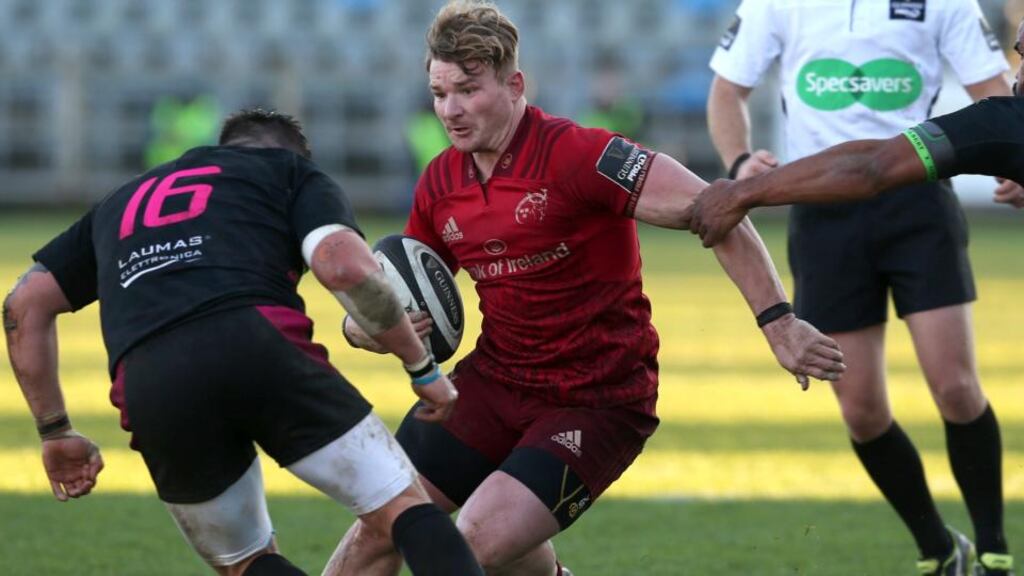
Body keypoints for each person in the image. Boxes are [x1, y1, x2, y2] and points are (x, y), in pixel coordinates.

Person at [330, 2, 846, 575]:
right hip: (495, 382)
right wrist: (364, 327)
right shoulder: (441, 181)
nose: (450, 110)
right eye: (439, 92)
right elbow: (403, 294)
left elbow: (719, 209)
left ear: (514, 84)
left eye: (468, 90)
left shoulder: (581, 156)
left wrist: (779, 322)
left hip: (597, 399)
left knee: (469, 547)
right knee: (379, 528)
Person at [1, 108, 485, 576]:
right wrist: (422, 368)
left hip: (149, 377)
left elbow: (24, 304)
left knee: (246, 561)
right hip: (254, 339)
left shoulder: (117, 202)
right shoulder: (290, 172)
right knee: (401, 506)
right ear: (293, 154)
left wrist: (55, 431)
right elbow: (342, 264)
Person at [705, 1, 1016, 574]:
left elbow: (992, 83)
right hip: (821, 208)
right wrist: (741, 158)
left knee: (955, 385)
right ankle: (939, 550)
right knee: (862, 410)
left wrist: (1010, 161)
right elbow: (728, 89)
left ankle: (995, 549)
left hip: (920, 199)